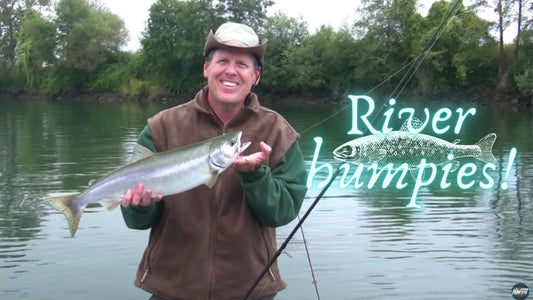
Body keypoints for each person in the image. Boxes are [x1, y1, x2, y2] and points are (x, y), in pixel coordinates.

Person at [120, 22, 308, 300]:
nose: (231, 71)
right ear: (206, 68)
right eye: (222, 61)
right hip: (171, 289)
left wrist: (256, 176)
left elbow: (284, 212)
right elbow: (137, 222)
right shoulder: (161, 126)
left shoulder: (278, 131)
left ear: (255, 76)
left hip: (251, 290)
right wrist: (139, 207)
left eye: (242, 64)